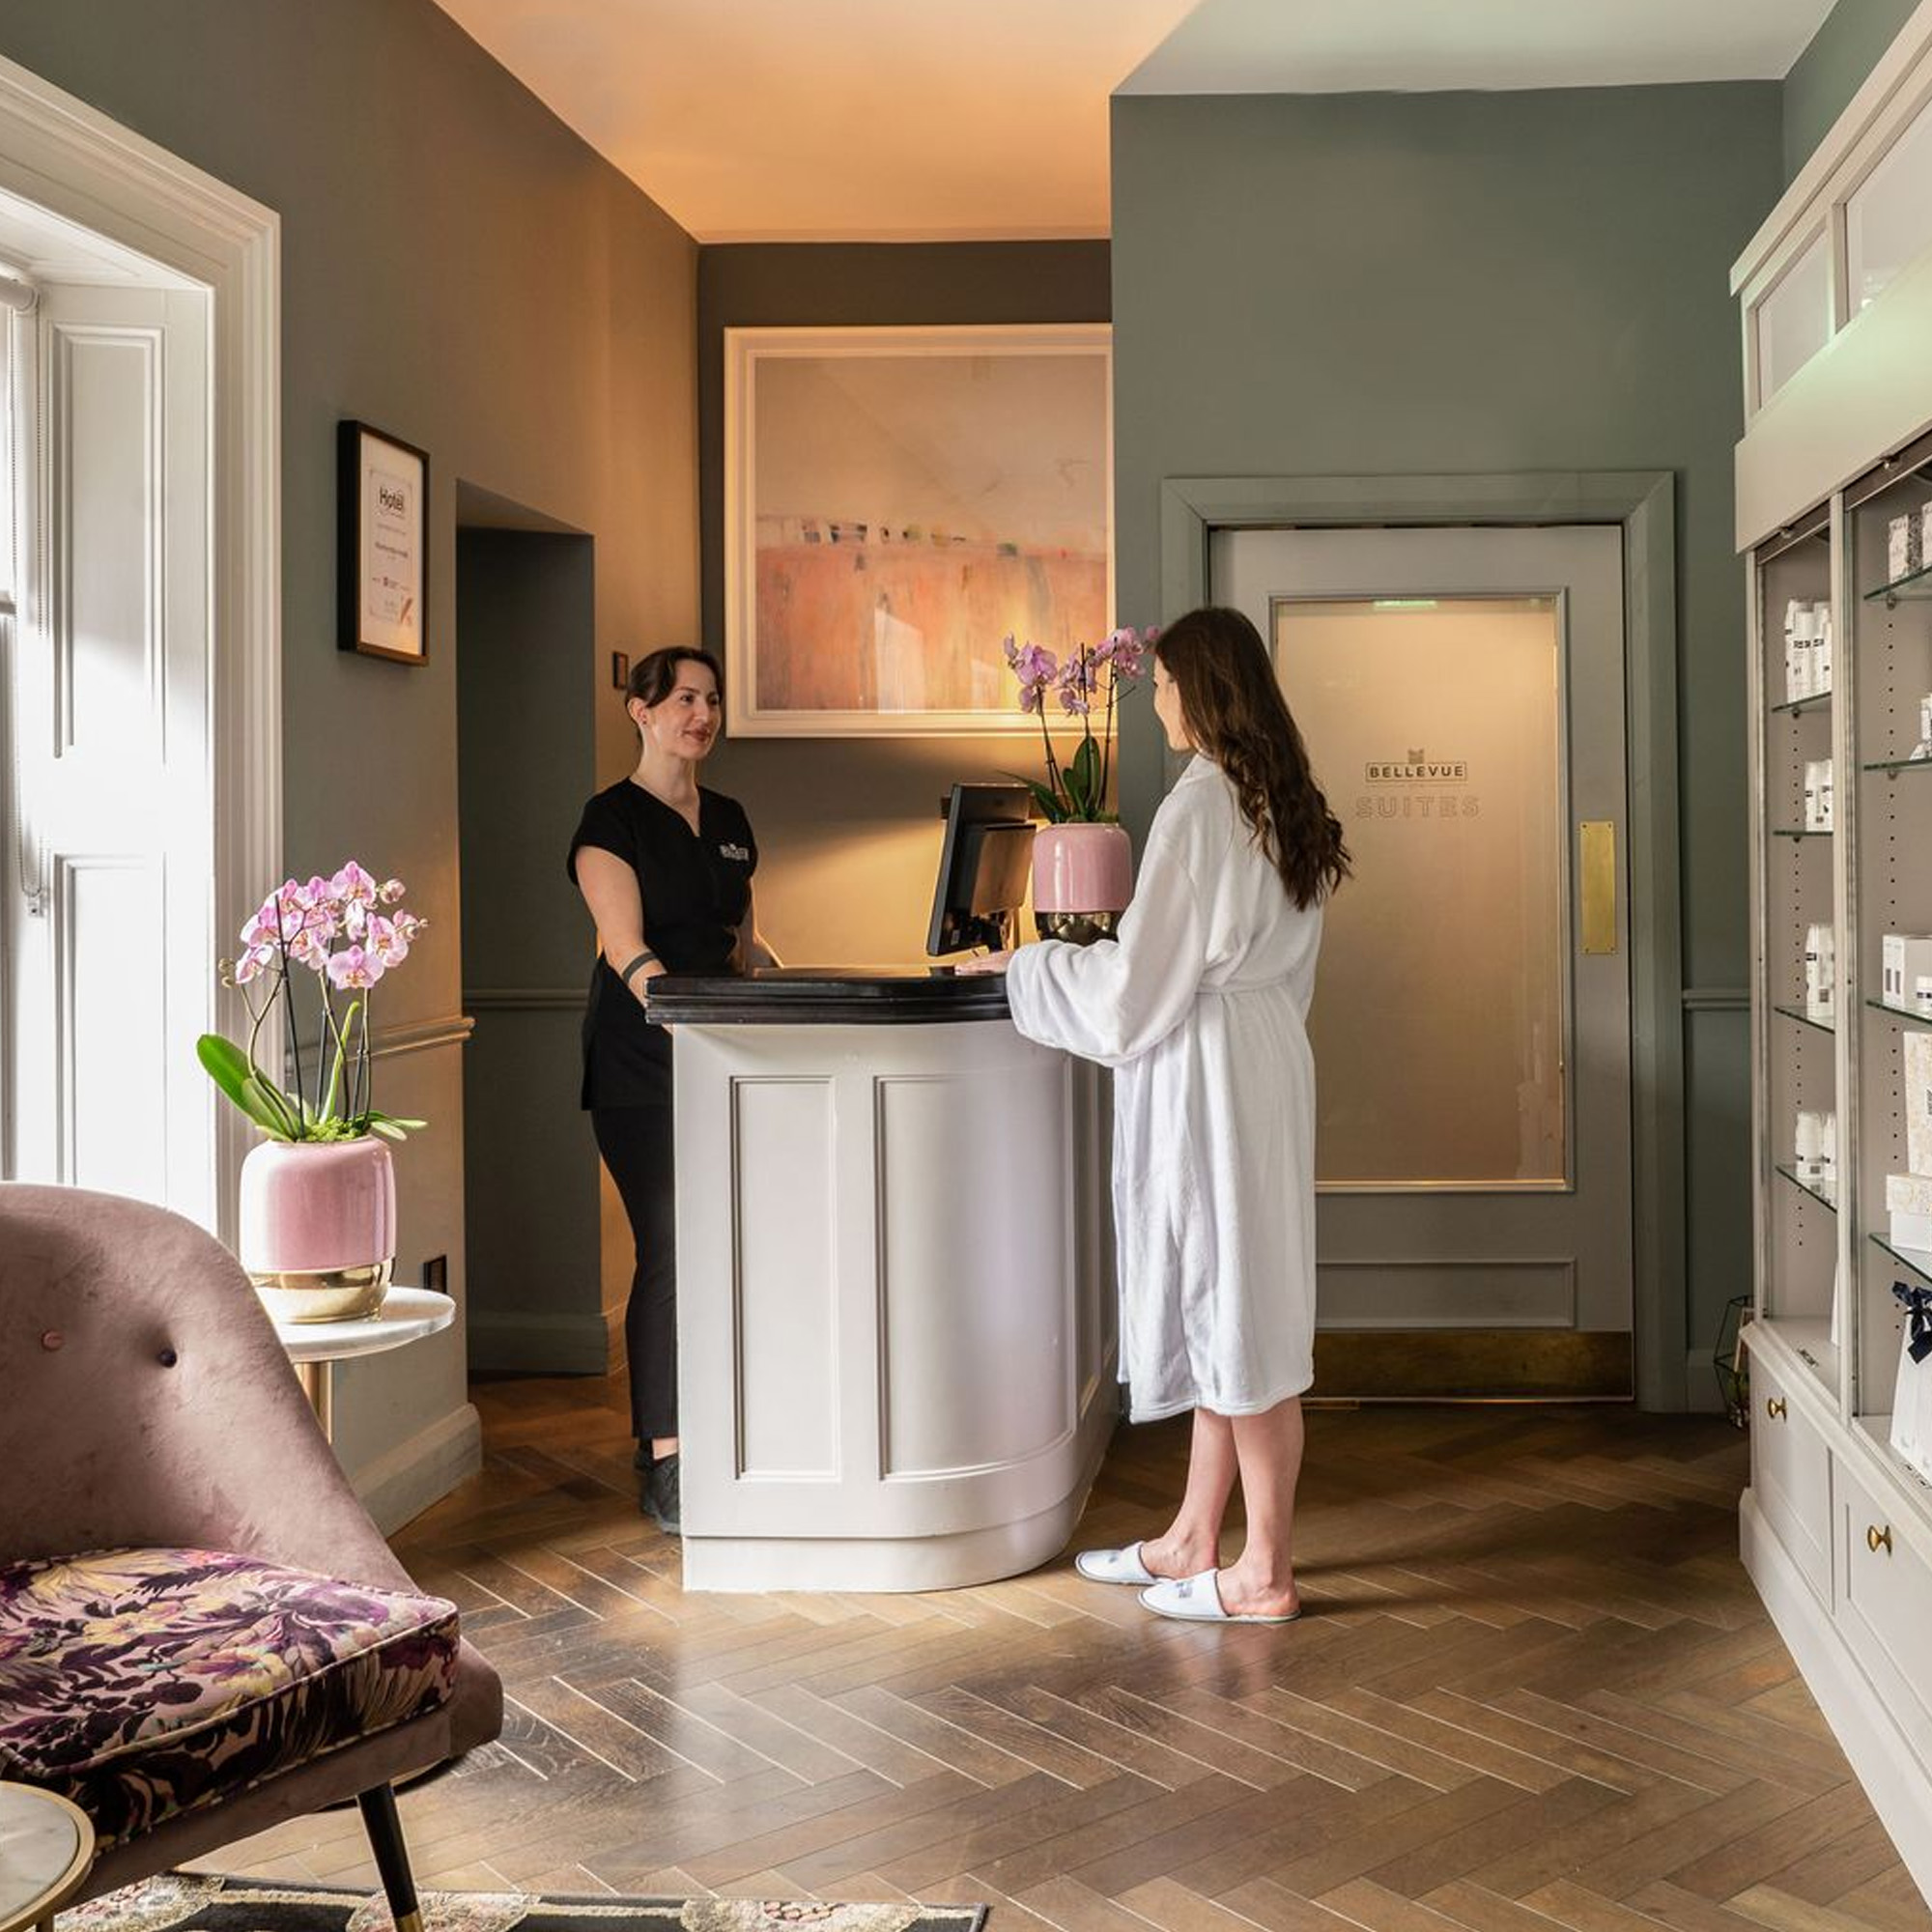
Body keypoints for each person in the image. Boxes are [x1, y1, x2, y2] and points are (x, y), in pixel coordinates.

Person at [962, 606, 1347, 1624]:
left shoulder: (1197, 806)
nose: (1157, 700)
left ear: (1203, 687)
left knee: (1237, 1312)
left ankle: (1262, 1570)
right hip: (1262, 1059)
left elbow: (1136, 992)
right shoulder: (1283, 799)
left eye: (1165, 683)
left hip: (1209, 1074)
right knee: (1237, 1300)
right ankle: (1189, 1533)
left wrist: (1026, 965)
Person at [567, 646, 780, 1534]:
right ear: (641, 710)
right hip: (641, 1064)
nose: (703, 713)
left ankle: (728, 1422)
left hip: (725, 1053)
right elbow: (625, 948)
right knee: (673, 1247)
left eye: (713, 699)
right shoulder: (607, 821)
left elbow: (743, 939)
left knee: (732, 1245)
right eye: (685, 698)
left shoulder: (728, 817)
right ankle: (667, 1457)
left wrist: (787, 989)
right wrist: (683, 1018)